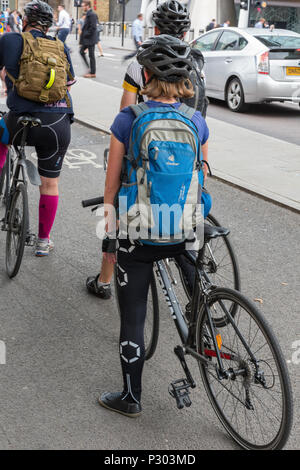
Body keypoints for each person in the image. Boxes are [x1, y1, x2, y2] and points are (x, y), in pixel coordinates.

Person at [97, 35, 209, 417]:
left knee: (133, 317)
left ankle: (131, 397)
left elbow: (111, 187)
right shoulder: (196, 121)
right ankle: (206, 329)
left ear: (144, 74)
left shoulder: (127, 120)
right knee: (193, 270)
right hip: (184, 229)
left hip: (140, 234)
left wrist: (108, 234)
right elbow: (202, 180)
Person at [86, 0, 210, 300]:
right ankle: (202, 306)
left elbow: (126, 110)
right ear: (185, 31)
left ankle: (105, 279)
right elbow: (202, 108)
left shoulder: (141, 62)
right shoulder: (195, 60)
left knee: (118, 196)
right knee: (183, 219)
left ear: (155, 28)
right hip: (191, 144)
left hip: (148, 150)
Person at [0, 0, 76, 257]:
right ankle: (43, 241)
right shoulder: (60, 46)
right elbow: (70, 82)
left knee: (1, 138)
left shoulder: (10, 40)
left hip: (19, 120)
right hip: (56, 123)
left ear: (24, 21)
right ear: (48, 25)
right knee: (50, 183)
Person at [79, 0, 98, 78]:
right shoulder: (88, 14)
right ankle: (89, 68)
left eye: (83, 6)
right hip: (87, 39)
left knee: (91, 55)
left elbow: (93, 27)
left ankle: (92, 72)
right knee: (81, 52)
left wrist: (86, 34)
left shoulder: (92, 14)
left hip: (90, 39)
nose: (82, 7)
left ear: (87, 6)